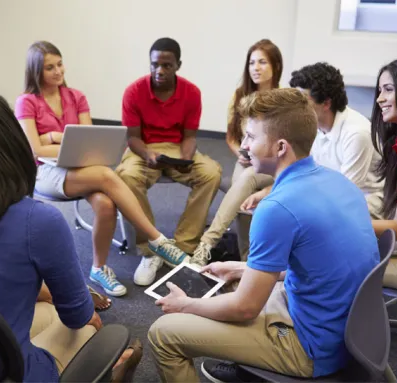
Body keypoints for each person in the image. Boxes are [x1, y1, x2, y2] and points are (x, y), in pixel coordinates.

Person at [0, 87, 142, 382]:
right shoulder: (39, 221)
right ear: (11, 142)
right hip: (10, 374)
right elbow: (78, 314)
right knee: (88, 326)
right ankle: (110, 370)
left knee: (43, 311)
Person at [148, 89, 379, 382]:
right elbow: (320, 264)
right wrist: (239, 267)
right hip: (349, 333)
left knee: (163, 334)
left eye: (251, 137)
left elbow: (245, 308)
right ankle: (249, 369)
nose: (243, 146)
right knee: (233, 283)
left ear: (280, 147)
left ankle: (261, 361)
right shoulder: (337, 181)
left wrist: (185, 306)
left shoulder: (275, 208)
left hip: (310, 348)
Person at [15, 41, 189, 296]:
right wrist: (57, 141)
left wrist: (53, 136)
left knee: (106, 205)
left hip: (81, 165)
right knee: (108, 174)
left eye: (60, 64)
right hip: (46, 172)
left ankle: (98, 268)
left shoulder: (76, 96)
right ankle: (157, 239)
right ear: (36, 71)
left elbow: (89, 140)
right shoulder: (26, 102)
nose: (57, 71)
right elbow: (36, 151)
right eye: (49, 67)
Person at [115, 37, 222, 285]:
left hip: (176, 148)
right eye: (155, 65)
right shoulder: (134, 91)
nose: (159, 71)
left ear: (178, 65)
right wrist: (147, 155)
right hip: (142, 148)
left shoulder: (191, 92)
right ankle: (152, 249)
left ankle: (183, 245)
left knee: (211, 172)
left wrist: (185, 158)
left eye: (166, 65)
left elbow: (189, 137)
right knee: (125, 177)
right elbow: (132, 137)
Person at [244, 62, 385, 219]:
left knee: (289, 217)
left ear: (326, 103)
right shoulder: (313, 125)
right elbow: (301, 174)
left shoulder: (357, 133)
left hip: (361, 205)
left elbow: (345, 194)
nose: (296, 108)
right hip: (326, 193)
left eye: (303, 101)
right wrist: (267, 192)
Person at [191, 38, 282, 266]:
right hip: (246, 160)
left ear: (275, 67)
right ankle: (245, 259)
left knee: (242, 183)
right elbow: (232, 137)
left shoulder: (284, 100)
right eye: (252, 63)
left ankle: (207, 243)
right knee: (242, 191)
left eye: (262, 62)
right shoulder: (240, 95)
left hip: (273, 164)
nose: (256, 68)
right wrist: (240, 152)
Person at [371, 55, 397, 292]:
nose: (379, 99)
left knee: (340, 262)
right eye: (379, 90)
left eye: (388, 90)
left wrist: (348, 224)